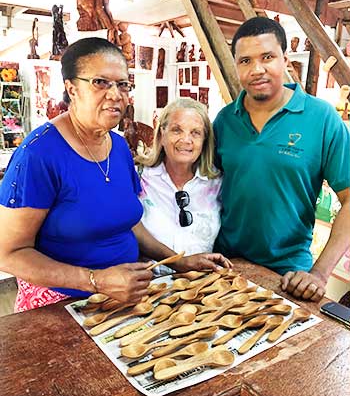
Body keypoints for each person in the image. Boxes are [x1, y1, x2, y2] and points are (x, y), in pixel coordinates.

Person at [0, 38, 209, 312]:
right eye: (100, 82)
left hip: (126, 298)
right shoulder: (39, 154)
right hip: (60, 305)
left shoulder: (119, 146)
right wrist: (95, 281)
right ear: (71, 88)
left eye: (123, 84)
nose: (115, 94)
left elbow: (130, 224)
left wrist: (177, 261)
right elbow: (9, 254)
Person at [213, 16, 350, 302]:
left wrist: (320, 273)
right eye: (246, 61)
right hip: (226, 267)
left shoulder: (321, 118)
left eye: (267, 57)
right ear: (236, 65)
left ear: (285, 60)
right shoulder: (225, 120)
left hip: (289, 277)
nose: (257, 69)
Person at [136, 98, 232, 271]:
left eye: (195, 133)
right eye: (176, 130)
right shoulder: (139, 179)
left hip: (201, 287)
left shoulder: (218, 184)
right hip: (149, 286)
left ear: (204, 141)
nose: (186, 140)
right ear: (161, 135)